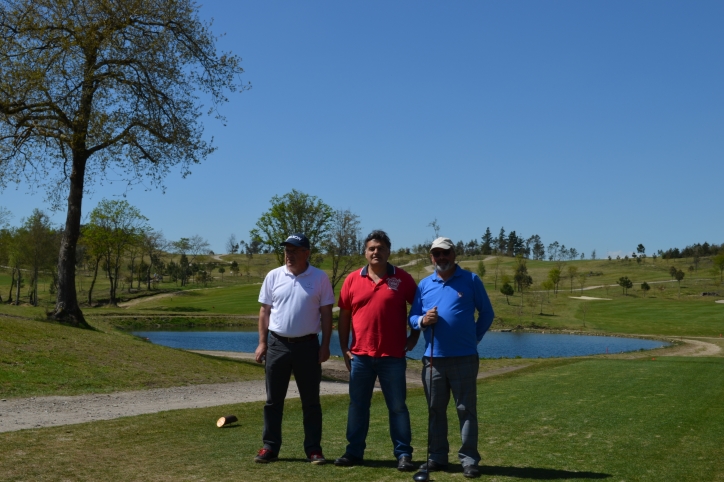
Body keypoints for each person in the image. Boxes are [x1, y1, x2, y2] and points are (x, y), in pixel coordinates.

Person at [334, 230, 420, 471]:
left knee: (397, 406)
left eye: (381, 248)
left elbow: (418, 309)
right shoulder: (352, 279)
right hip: (360, 356)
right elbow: (344, 316)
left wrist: (414, 335)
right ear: (365, 252)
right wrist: (343, 347)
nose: (376, 252)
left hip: (392, 356)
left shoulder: (402, 278)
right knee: (358, 405)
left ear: (388, 252)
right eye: (372, 248)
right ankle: (354, 452)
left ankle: (403, 454)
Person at [409, 237, 495, 479]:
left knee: (466, 409)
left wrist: (474, 338)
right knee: (435, 410)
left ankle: (469, 460)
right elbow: (413, 316)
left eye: (445, 253)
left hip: (465, 357)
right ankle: (437, 457)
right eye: (436, 254)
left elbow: (487, 313)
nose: (441, 258)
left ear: (454, 254)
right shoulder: (425, 285)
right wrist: (422, 321)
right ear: (431, 257)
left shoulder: (470, 280)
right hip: (433, 359)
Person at [253, 233, 335, 465]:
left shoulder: (319, 277)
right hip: (278, 344)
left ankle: (313, 450)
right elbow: (264, 311)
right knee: (273, 401)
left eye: (294, 250)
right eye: (287, 250)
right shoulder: (273, 276)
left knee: (311, 402)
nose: (288, 254)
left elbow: (326, 314)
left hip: (308, 346)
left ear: (306, 253)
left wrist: (326, 345)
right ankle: (270, 447)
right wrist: (262, 342)